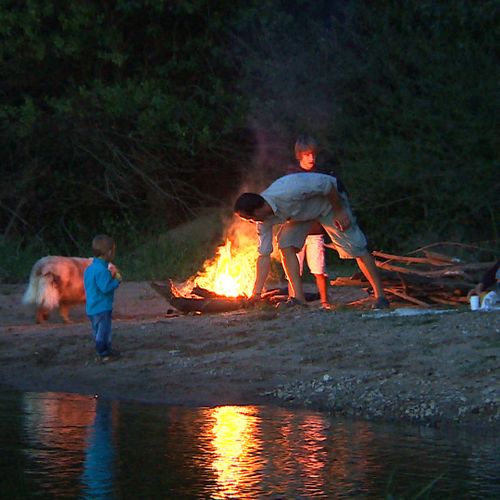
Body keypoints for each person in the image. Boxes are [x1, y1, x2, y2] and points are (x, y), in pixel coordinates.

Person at [234, 172, 389, 310]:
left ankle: (380, 296)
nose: (251, 222)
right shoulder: (263, 221)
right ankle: (298, 299)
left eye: (249, 218)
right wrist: (256, 293)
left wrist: (339, 211)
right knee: (285, 243)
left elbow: (328, 185)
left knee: (356, 247)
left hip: (328, 204)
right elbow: (264, 255)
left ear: (258, 210)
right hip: (302, 215)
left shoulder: (287, 190)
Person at [288, 136, 347, 309]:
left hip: (315, 229)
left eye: (313, 154)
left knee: (319, 268)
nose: (311, 158)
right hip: (295, 228)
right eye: (307, 155)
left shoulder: (321, 175)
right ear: (299, 155)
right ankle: (294, 298)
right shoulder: (292, 175)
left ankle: (324, 301)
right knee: (294, 268)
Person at [84, 235, 122, 362]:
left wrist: (109, 276)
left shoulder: (90, 269)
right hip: (102, 307)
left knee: (97, 330)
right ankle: (103, 352)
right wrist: (116, 280)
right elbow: (105, 288)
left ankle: (104, 350)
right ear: (109, 252)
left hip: (92, 307)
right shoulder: (101, 270)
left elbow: (94, 285)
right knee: (104, 331)